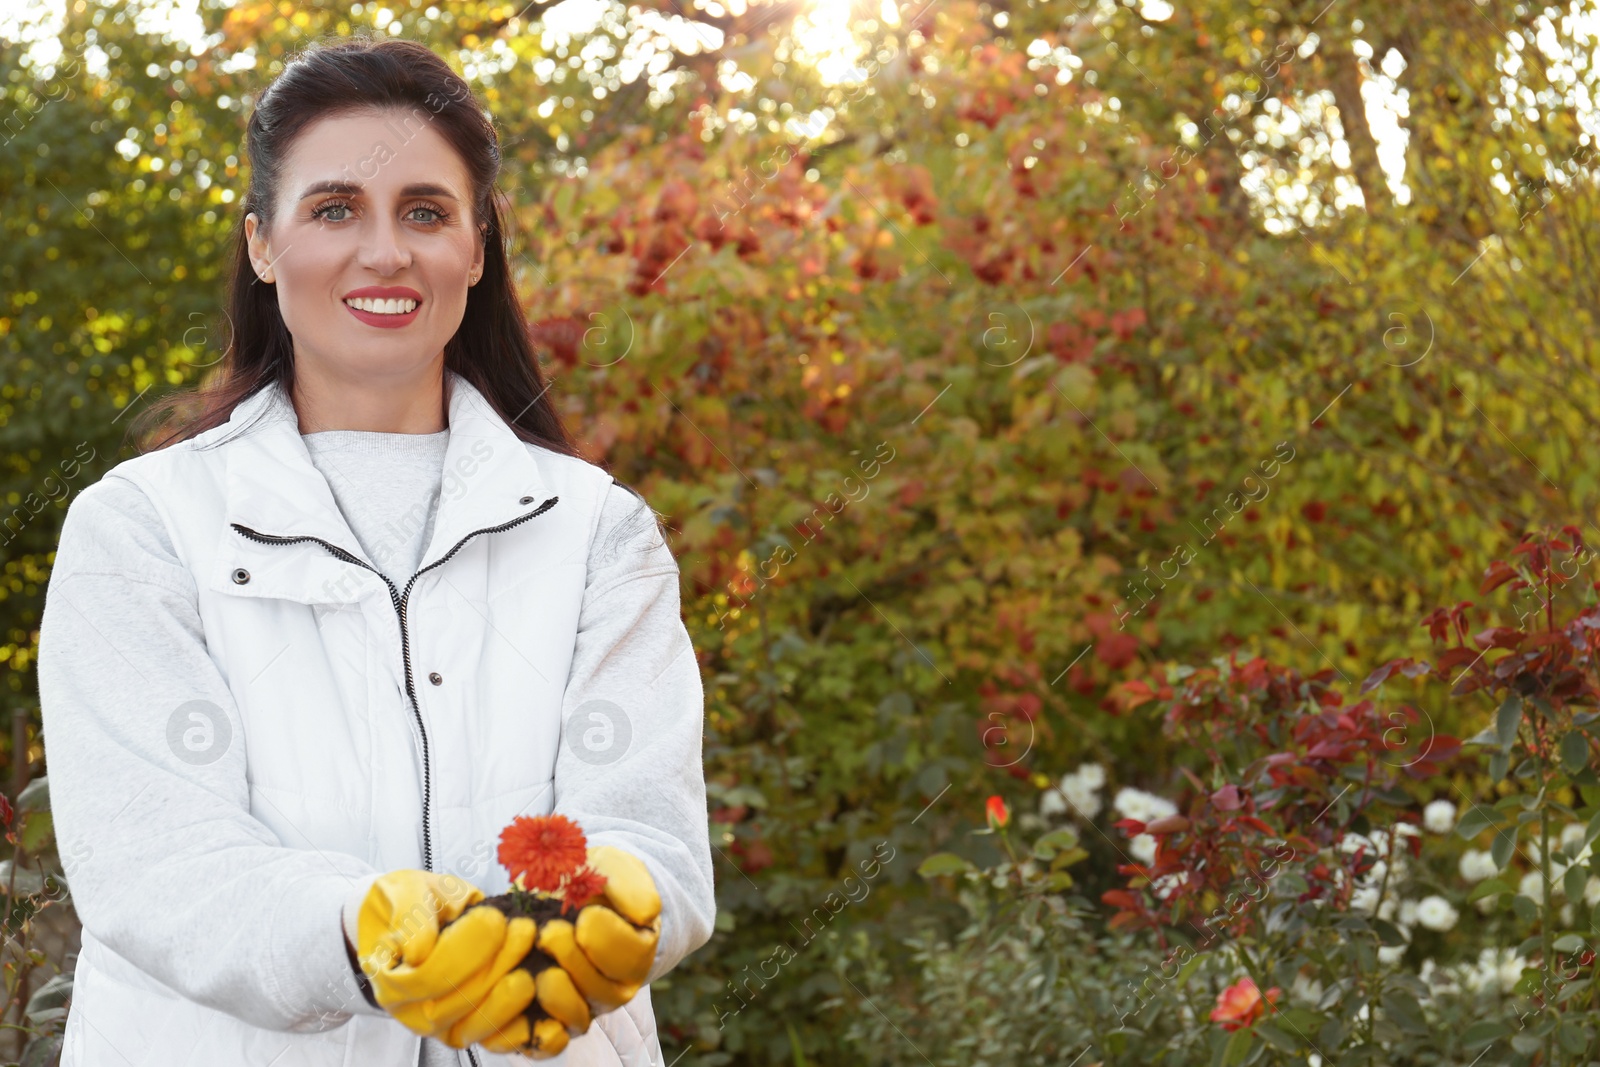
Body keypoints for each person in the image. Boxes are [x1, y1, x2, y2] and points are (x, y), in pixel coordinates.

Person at [35, 35, 715, 1067]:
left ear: (476, 250)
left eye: (426, 212)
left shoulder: (597, 530)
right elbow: (154, 861)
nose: (385, 250)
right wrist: (367, 934)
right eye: (335, 207)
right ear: (263, 244)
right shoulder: (141, 528)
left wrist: (596, 914)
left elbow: (650, 836)